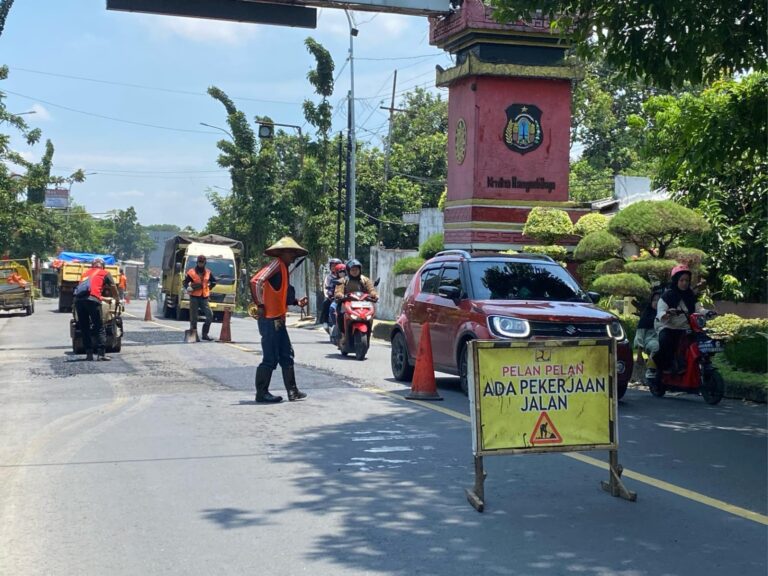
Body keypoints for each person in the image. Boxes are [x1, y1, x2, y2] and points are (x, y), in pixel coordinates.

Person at [250, 237, 309, 403]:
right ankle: (261, 393)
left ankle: (293, 391)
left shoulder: (283, 269)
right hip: (269, 320)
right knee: (270, 358)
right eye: (291, 253)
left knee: (287, 355)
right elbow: (255, 281)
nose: (294, 257)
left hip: (278, 320)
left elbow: (281, 295)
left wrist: (296, 302)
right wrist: (260, 304)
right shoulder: (276, 264)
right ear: (283, 253)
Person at [653, 265, 702, 374]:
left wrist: (708, 312)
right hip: (669, 327)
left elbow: (699, 309)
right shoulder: (667, 296)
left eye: (687, 280)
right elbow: (660, 312)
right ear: (676, 281)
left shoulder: (691, 295)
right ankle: (662, 370)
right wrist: (667, 313)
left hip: (686, 328)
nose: (684, 283)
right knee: (665, 341)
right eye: (681, 280)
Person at [75, 257, 119, 361]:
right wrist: (117, 299)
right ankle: (101, 354)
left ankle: (89, 354)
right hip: (93, 301)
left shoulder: (86, 274)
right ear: (103, 266)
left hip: (79, 301)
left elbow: (87, 291)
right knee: (99, 327)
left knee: (84, 327)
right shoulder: (105, 273)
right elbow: (113, 287)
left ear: (92, 266)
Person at [334, 259, 378, 349]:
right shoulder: (343, 280)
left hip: (363, 303)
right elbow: (339, 290)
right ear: (348, 270)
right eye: (352, 270)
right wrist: (339, 294)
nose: (355, 271)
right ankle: (343, 335)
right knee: (341, 315)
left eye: (356, 269)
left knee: (370, 317)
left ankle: (368, 334)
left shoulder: (365, 279)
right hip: (347, 303)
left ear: (360, 270)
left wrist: (374, 294)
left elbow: (371, 289)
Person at [183, 255, 217, 341]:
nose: (200, 264)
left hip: (204, 297)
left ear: (205, 263)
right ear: (197, 262)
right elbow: (185, 282)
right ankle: (194, 336)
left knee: (210, 315)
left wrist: (209, 287)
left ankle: (205, 334)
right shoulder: (191, 272)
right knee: (194, 317)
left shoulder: (208, 272)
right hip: (194, 297)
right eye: (199, 262)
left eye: (202, 262)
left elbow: (214, 281)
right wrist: (187, 287)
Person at [634, 287, 662, 380]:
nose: (656, 302)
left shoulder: (666, 315)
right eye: (654, 300)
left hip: (664, 338)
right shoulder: (646, 316)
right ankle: (651, 370)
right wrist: (639, 354)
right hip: (650, 340)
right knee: (656, 347)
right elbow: (640, 335)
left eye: (659, 300)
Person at [319, 258, 343, 325]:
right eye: (332, 266)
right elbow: (326, 287)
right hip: (333, 296)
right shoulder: (329, 277)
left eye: (336, 265)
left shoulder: (344, 277)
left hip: (343, 296)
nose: (334, 267)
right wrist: (329, 295)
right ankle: (325, 321)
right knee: (326, 303)